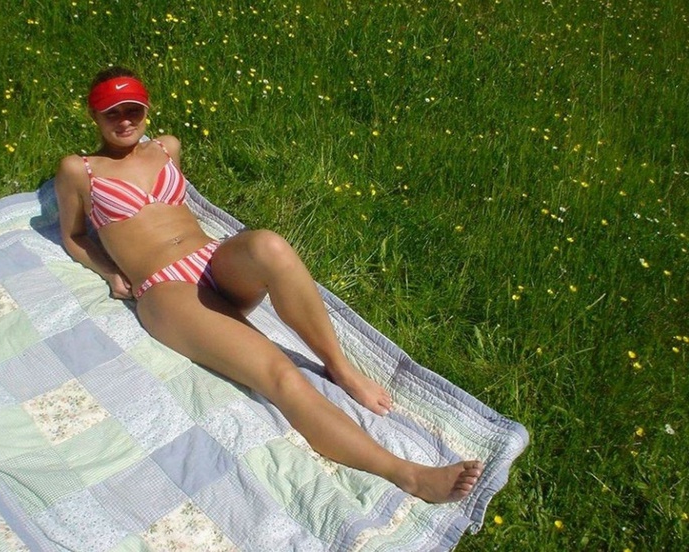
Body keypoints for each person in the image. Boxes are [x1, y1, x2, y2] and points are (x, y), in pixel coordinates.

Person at [54, 66, 483, 503]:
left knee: (269, 245)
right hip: (165, 288)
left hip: (211, 261)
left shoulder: (167, 147)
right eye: (112, 113)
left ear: (147, 109)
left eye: (133, 110)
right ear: (94, 116)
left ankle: (339, 367)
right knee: (280, 374)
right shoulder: (78, 169)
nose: (125, 120)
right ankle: (409, 475)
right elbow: (74, 236)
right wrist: (109, 271)